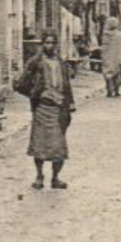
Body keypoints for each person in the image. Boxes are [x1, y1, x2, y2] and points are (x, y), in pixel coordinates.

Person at [14, 32, 75, 189]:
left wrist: (71, 102)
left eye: (53, 43)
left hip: (59, 108)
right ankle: (39, 175)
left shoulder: (61, 63)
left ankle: (55, 178)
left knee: (59, 146)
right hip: (42, 108)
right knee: (40, 145)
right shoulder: (35, 62)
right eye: (47, 43)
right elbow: (20, 84)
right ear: (42, 44)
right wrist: (36, 93)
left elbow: (67, 85)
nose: (50, 46)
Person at [100, 17, 121, 98]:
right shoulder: (120, 34)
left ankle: (109, 91)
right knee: (117, 73)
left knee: (108, 73)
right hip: (118, 57)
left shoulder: (105, 34)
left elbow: (104, 46)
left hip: (107, 56)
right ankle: (116, 91)